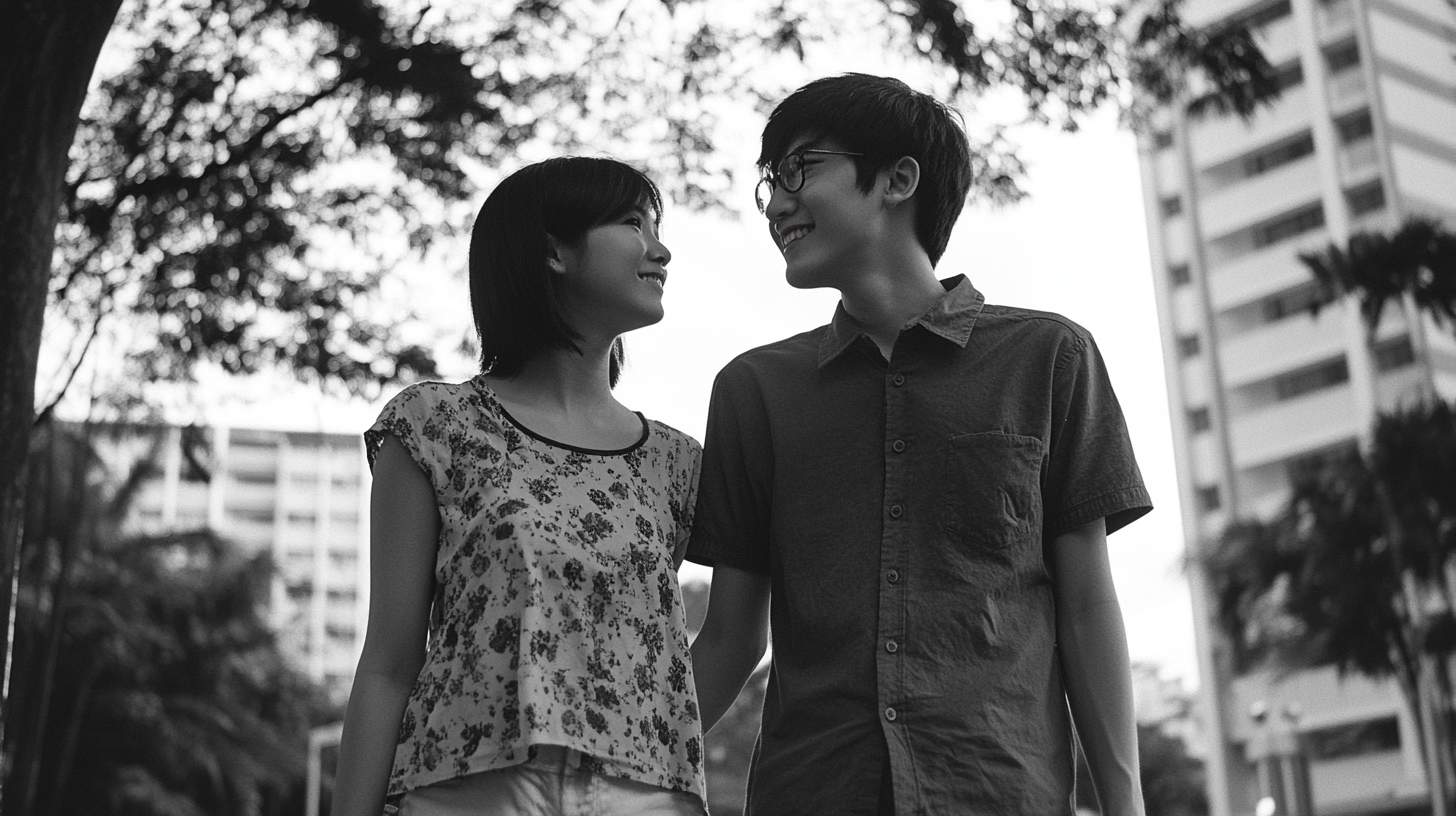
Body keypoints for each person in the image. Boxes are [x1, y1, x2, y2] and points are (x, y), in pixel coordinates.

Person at [687, 74, 1154, 815]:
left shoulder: (1050, 357)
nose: (776, 203)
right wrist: (607, 772)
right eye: (767, 183)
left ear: (898, 178)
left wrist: (1125, 806)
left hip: (1001, 793)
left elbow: (1088, 605)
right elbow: (728, 639)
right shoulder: (754, 390)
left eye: (799, 169)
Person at [332, 157, 706, 816]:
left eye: (656, 225)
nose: (660, 248)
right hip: (468, 788)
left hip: (643, 797)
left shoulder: (676, 463)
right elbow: (389, 662)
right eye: (631, 223)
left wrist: (650, 740)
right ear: (554, 253)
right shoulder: (432, 425)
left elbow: (726, 641)